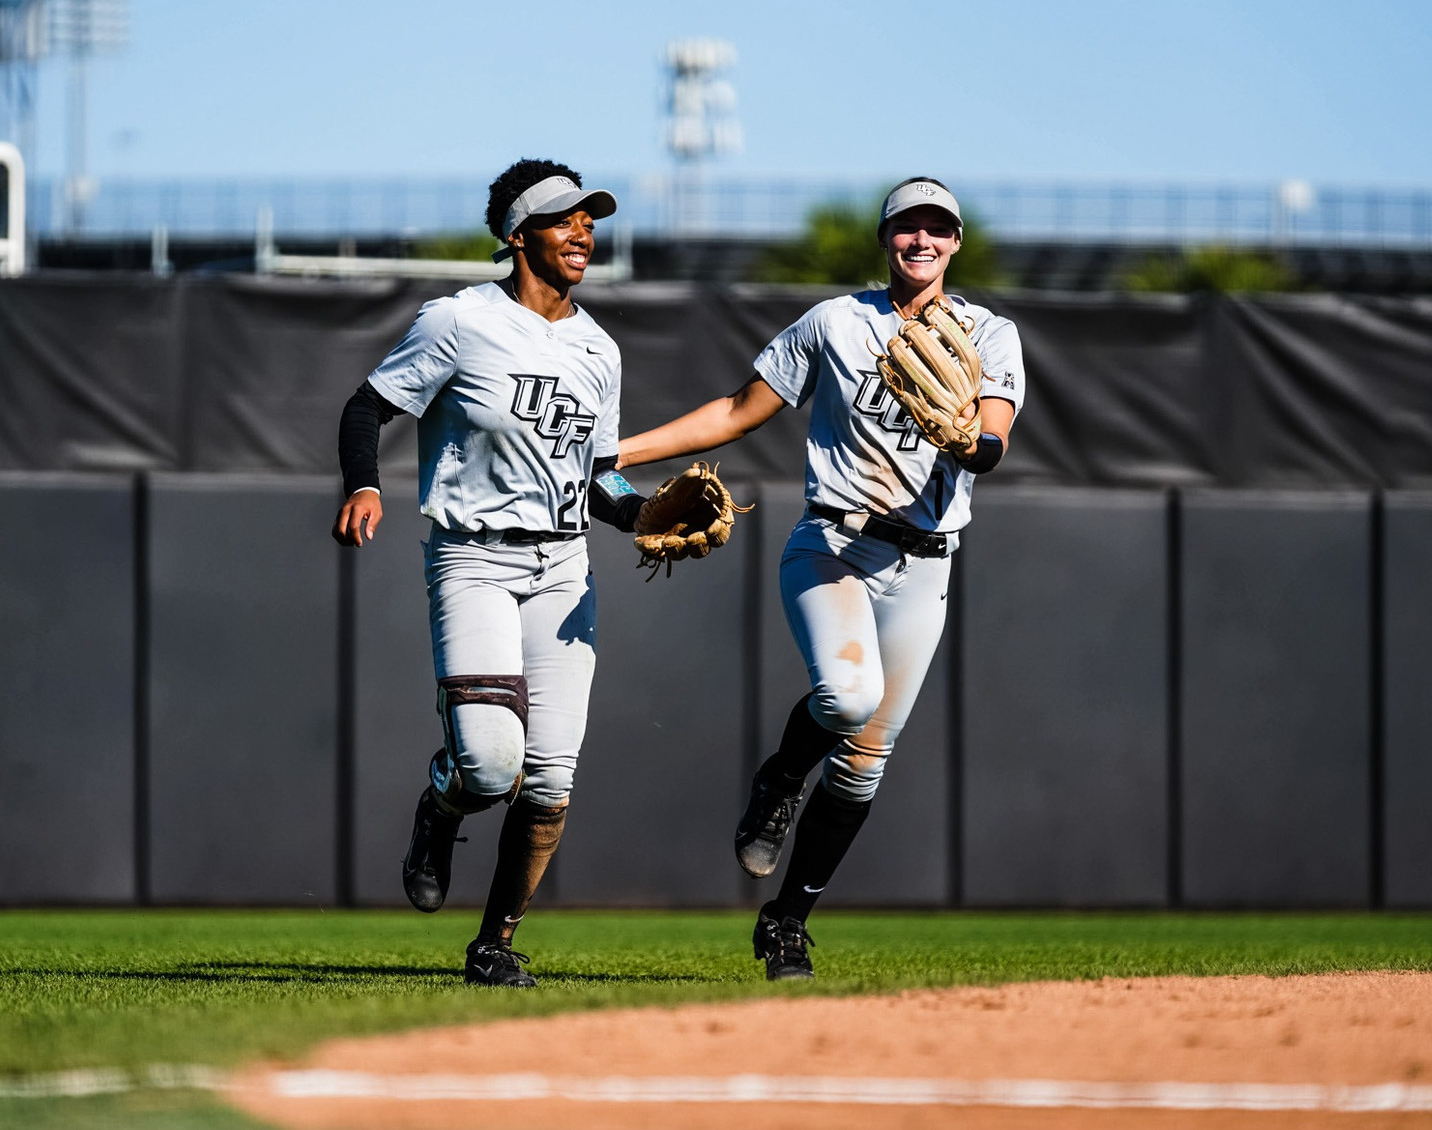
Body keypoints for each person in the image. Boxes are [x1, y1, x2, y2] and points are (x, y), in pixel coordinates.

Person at [617, 177, 1023, 981]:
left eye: (938, 229)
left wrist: (964, 440)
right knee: (846, 695)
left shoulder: (990, 332)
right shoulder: (836, 322)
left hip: (925, 562)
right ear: (886, 237)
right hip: (835, 543)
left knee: (867, 758)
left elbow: (994, 437)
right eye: (908, 227)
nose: (923, 241)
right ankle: (779, 777)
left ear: (956, 242)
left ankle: (786, 923)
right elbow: (739, 407)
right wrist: (623, 454)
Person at [332, 159, 647, 988]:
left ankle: (495, 941)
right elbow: (368, 404)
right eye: (563, 218)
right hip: (472, 555)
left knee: (549, 776)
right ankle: (441, 805)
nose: (583, 231)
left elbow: (603, 474)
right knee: (489, 765)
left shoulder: (599, 348)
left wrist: (646, 514)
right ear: (516, 236)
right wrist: (364, 482)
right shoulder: (460, 320)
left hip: (562, 565)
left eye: (590, 218)